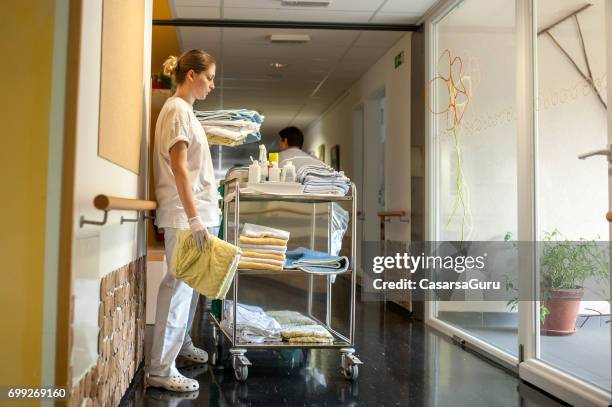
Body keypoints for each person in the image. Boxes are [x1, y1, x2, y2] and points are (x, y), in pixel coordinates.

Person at [147, 50, 220, 392]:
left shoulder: (185, 111)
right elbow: (178, 168)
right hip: (184, 216)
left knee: (188, 290)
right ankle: (161, 369)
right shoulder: (177, 110)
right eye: (208, 77)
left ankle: (180, 347)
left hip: (193, 215)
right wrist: (194, 218)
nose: (212, 85)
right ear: (191, 75)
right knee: (178, 290)